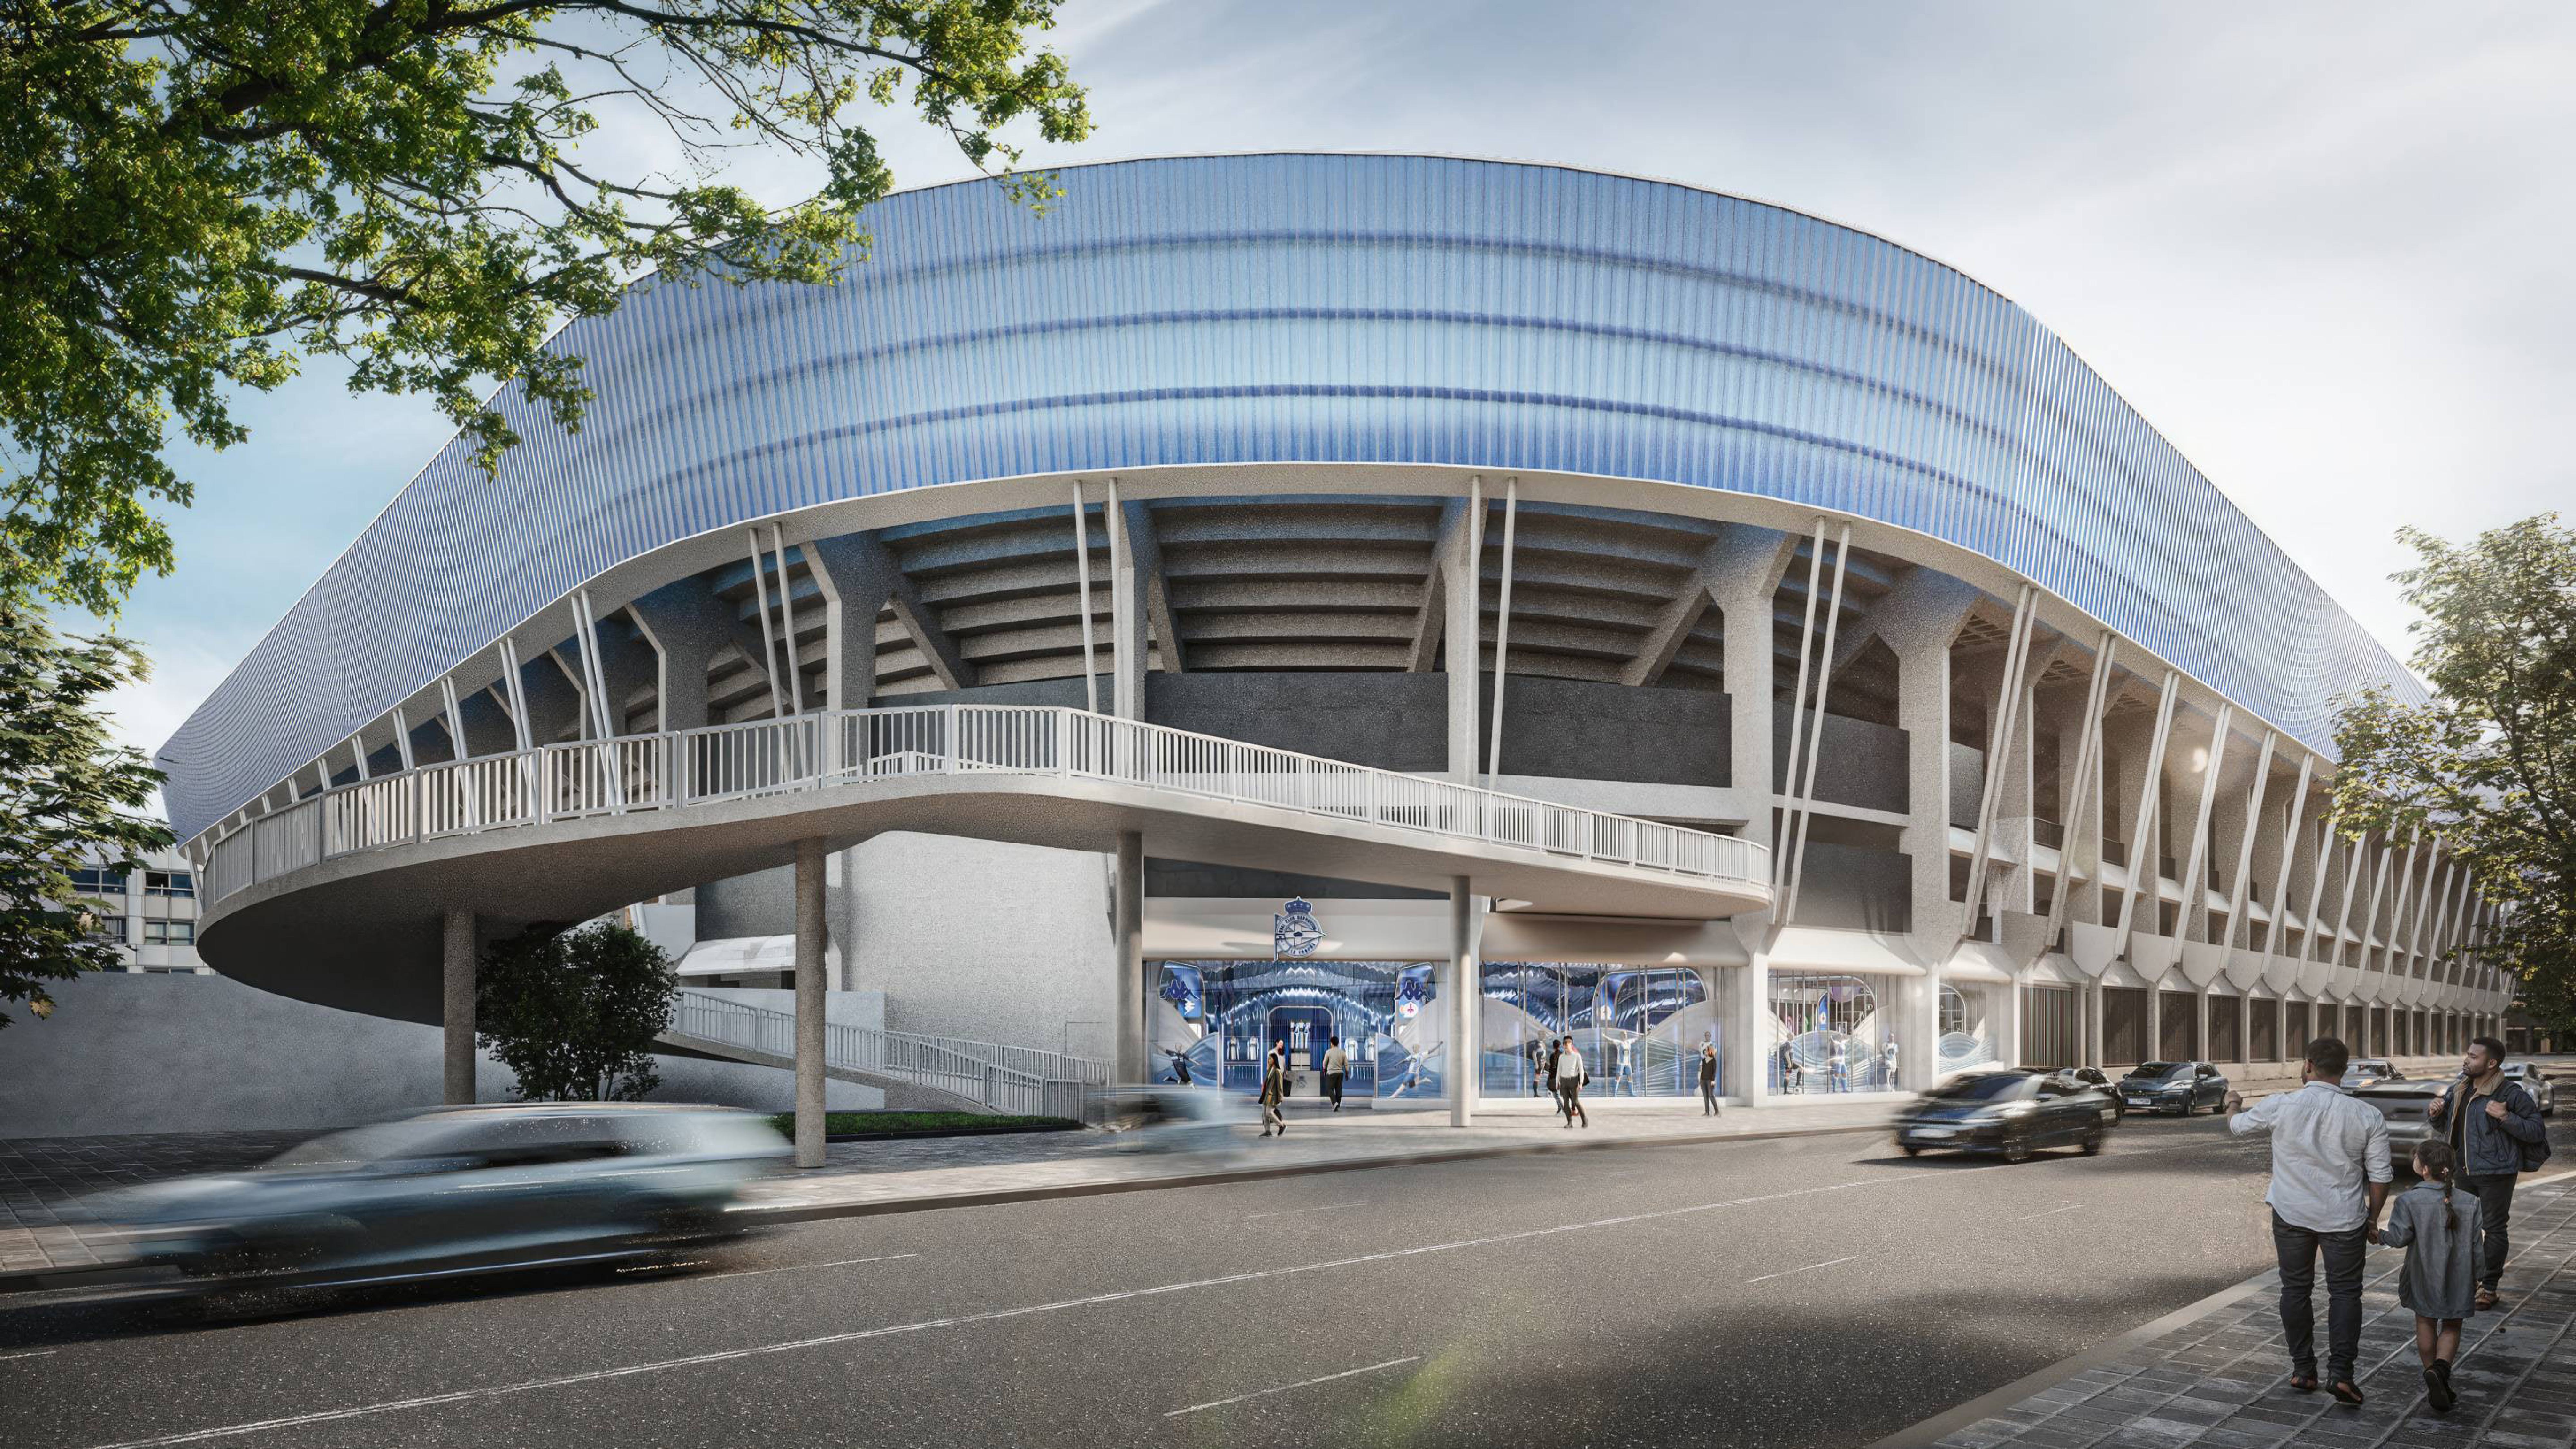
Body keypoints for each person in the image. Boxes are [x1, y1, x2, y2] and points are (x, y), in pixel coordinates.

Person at [2226, 1036, 2391, 1406]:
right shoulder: (2367, 1116)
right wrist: (2372, 1218)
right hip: (2344, 1218)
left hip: (2291, 1215)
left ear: (2307, 1065)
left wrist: (2232, 1102)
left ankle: (2303, 1370)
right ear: (2344, 1071)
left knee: (2295, 1289)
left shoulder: (2282, 1105)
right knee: (2346, 1293)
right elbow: (2380, 1176)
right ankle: (2342, 1375)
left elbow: (2236, 1126)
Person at [2426, 1035, 2549, 1311]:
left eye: (2474, 1056)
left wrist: (2506, 1118)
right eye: (2468, 1054)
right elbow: (2447, 1125)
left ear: (2491, 1063)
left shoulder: (2510, 1094)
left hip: (2496, 1173)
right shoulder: (2460, 1087)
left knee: (2493, 1229)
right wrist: (2436, 1113)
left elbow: (2536, 1131)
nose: (2467, 1059)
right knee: (2461, 1229)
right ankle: (2466, 1282)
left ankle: (2489, 1287)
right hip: (2464, 1171)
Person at [2374, 1140, 2480, 1415]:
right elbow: (2478, 1246)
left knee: (2425, 1321)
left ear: (2423, 1169)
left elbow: (2399, 1238)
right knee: (2453, 1324)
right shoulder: (2470, 1202)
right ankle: (2442, 1372)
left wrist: (2378, 1235)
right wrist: (2479, 1275)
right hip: (2461, 1274)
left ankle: (2432, 1372)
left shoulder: (2409, 1200)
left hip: (2423, 1274)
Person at [1555, 1034, 1589, 1129]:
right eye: (1565, 1044)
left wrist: (1581, 1083)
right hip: (1563, 1081)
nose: (1566, 1045)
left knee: (1575, 1102)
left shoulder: (1577, 1056)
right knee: (1566, 1103)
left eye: (1568, 1044)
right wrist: (1557, 1082)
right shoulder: (1562, 1057)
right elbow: (1559, 1070)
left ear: (1572, 1045)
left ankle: (1585, 1119)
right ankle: (1570, 1123)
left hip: (1574, 1081)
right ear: (1563, 1045)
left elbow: (1581, 1070)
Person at [1258, 1045, 1289, 1137]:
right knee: (1264, 1114)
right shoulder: (1270, 1070)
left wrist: (1280, 1097)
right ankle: (1268, 1131)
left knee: (1269, 1113)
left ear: (1274, 1060)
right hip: (1266, 1095)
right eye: (1268, 1059)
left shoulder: (1278, 1071)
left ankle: (1282, 1126)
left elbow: (1280, 1086)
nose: (1269, 1060)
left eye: (1270, 1059)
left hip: (1273, 1096)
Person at [1320, 1036, 1349, 1113]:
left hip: (1331, 1073)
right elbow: (1346, 1064)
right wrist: (1347, 1073)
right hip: (1340, 1073)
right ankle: (1338, 1105)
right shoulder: (1343, 1052)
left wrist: (1324, 1070)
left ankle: (1335, 1103)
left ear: (1332, 1043)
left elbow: (1324, 1063)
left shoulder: (1329, 1052)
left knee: (1330, 1089)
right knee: (1339, 1090)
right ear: (1338, 1043)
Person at [1698, 1042, 1720, 1117]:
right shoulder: (1704, 1061)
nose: (1705, 1052)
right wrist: (1701, 1080)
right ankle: (1707, 1112)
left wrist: (1713, 1081)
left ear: (1710, 1051)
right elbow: (1703, 1071)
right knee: (1705, 1097)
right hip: (1703, 1080)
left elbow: (1714, 1072)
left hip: (1710, 1081)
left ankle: (1717, 1112)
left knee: (1711, 1096)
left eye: (1707, 1051)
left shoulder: (1713, 1061)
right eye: (1705, 1051)